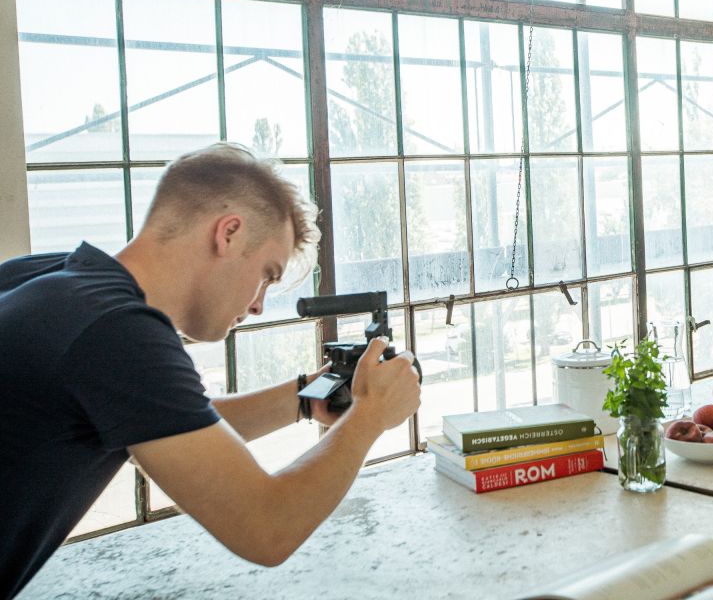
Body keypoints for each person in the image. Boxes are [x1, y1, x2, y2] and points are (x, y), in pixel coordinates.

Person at [0, 143, 422, 600]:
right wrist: (370, 415)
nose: (259, 304)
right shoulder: (117, 330)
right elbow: (267, 529)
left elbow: (166, 420)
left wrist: (305, 397)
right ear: (230, 233)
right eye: (267, 273)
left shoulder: (51, 278)